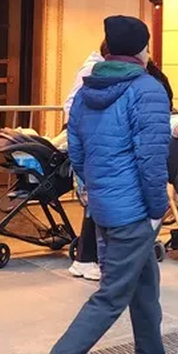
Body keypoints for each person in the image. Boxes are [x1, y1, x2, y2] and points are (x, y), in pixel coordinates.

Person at [18, 16, 176, 354]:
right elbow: (151, 159)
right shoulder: (147, 90)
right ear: (142, 50)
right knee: (110, 298)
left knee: (144, 284)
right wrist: (156, 210)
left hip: (105, 207)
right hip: (134, 211)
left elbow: (78, 151)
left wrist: (94, 192)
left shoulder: (89, 89)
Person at [64, 41, 107, 283]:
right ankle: (89, 259)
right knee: (95, 204)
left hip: (89, 146)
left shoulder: (93, 69)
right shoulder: (93, 71)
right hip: (91, 146)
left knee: (93, 204)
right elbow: (73, 108)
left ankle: (84, 258)